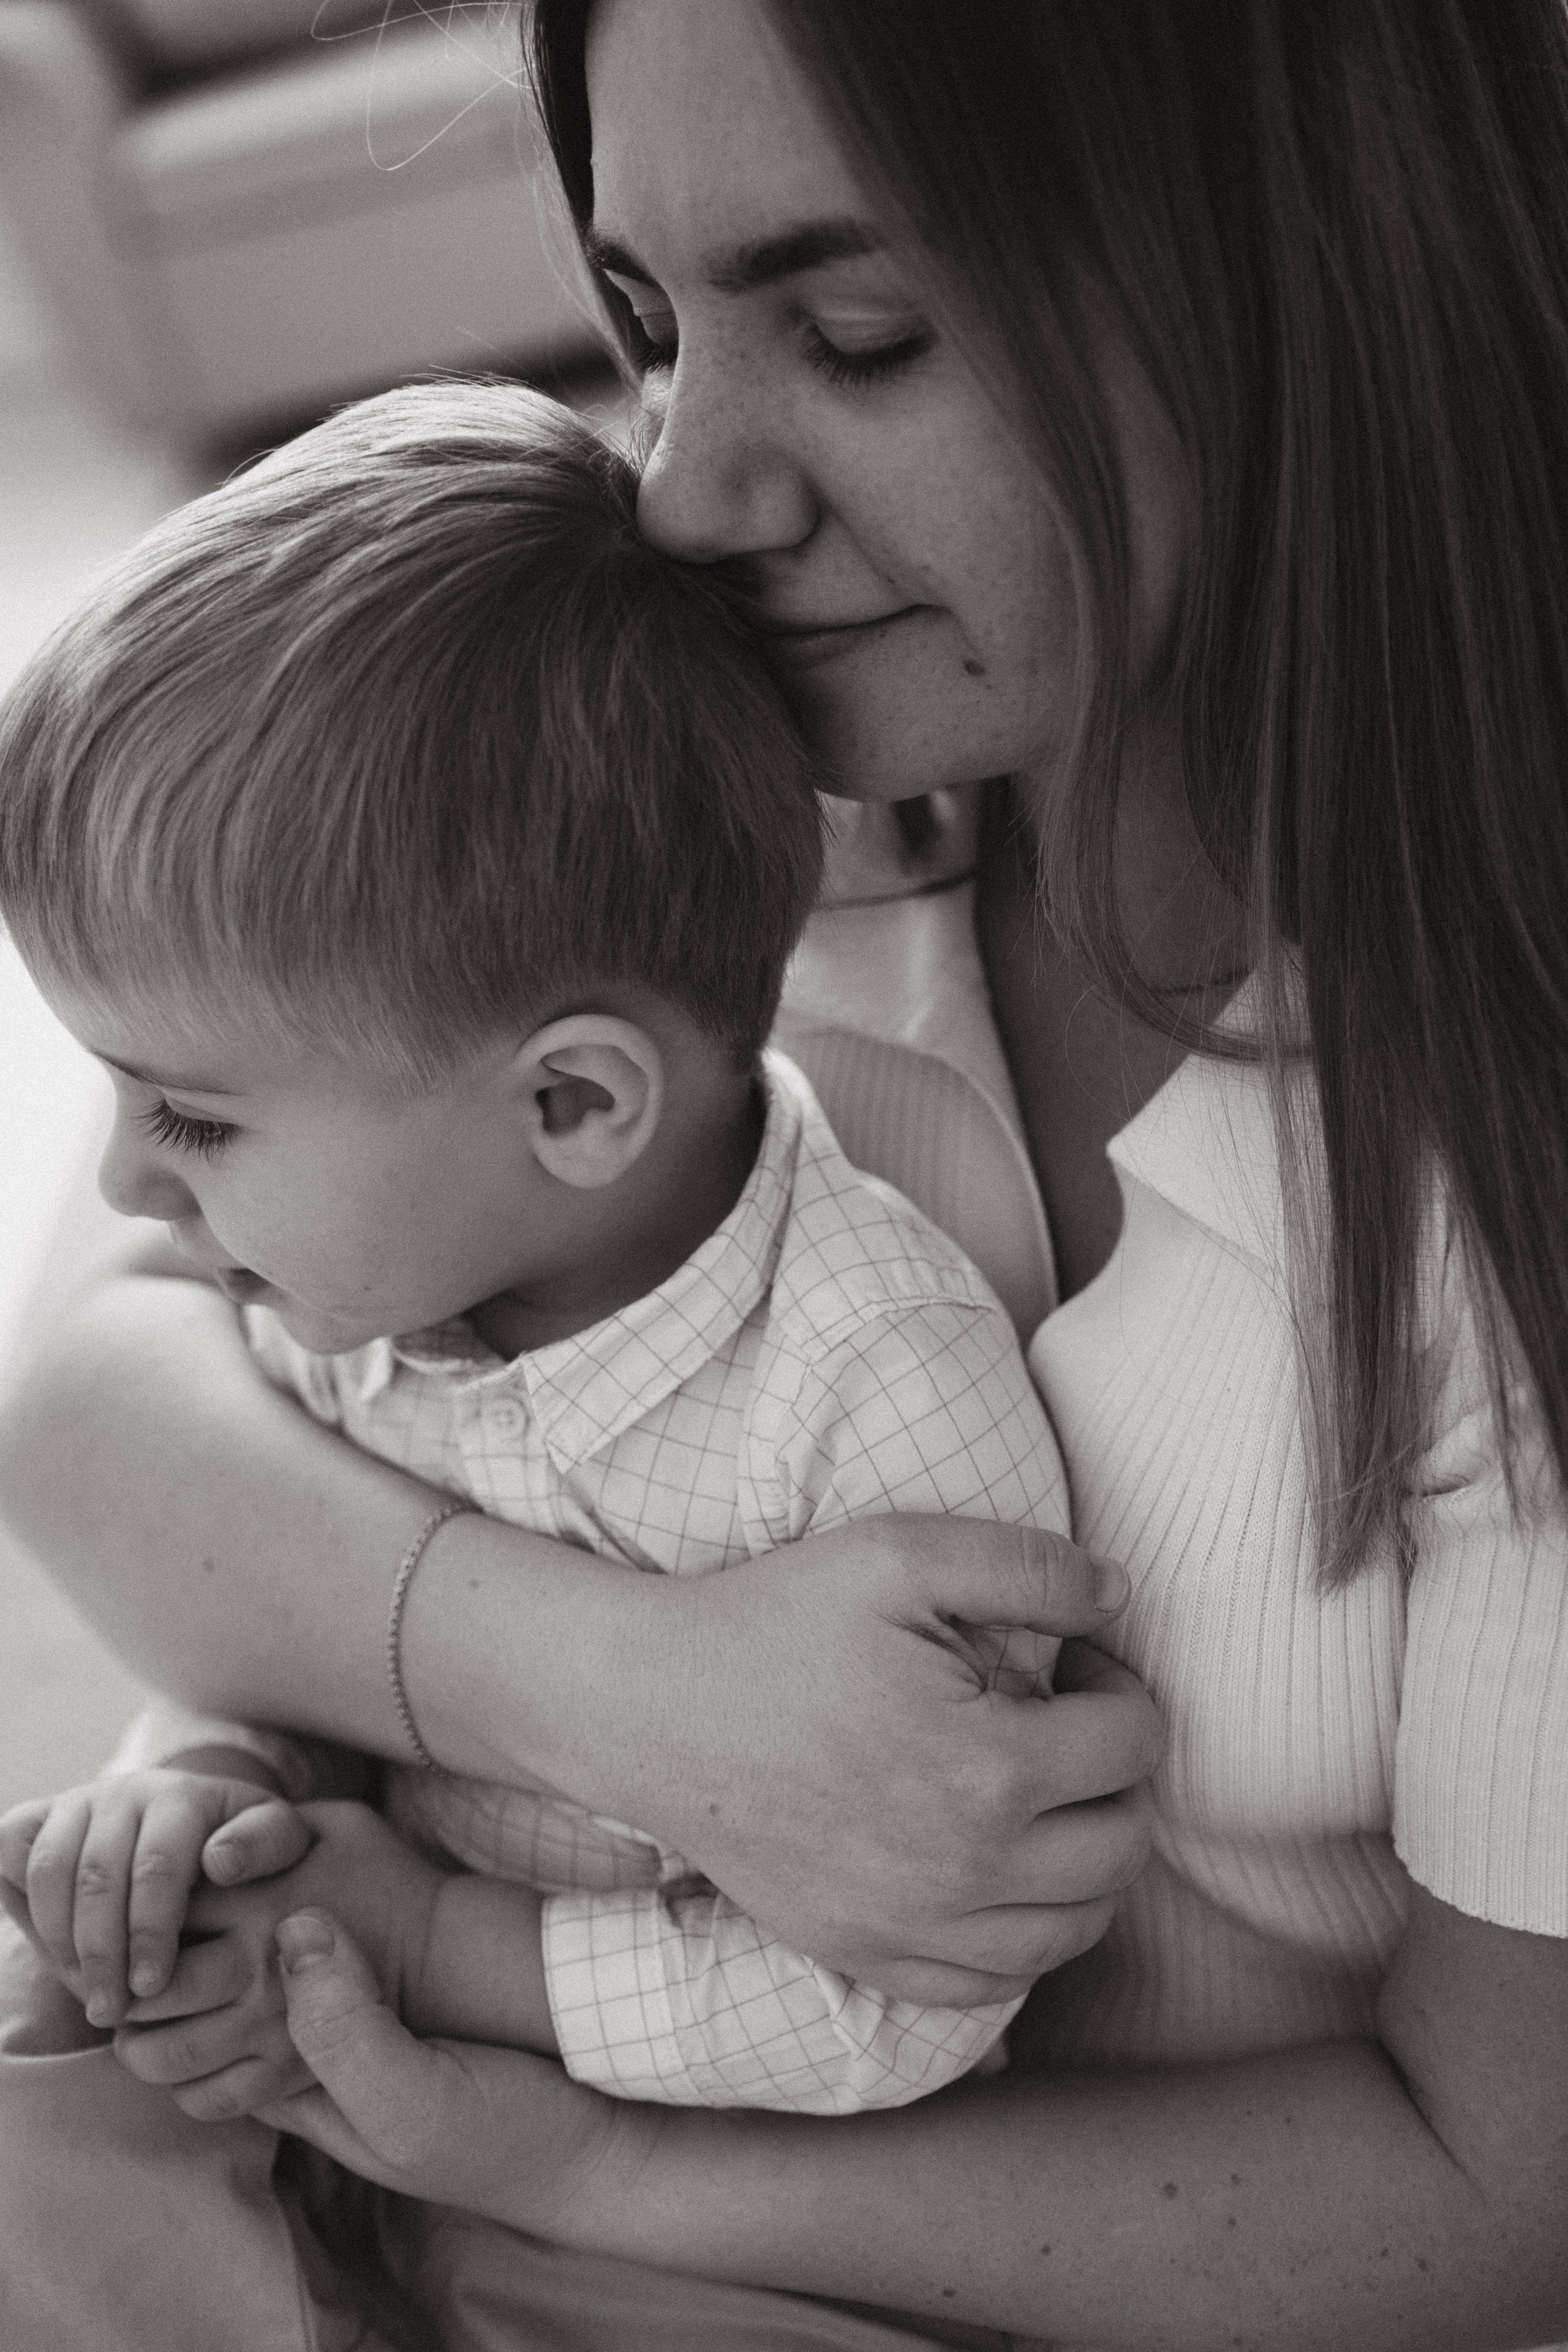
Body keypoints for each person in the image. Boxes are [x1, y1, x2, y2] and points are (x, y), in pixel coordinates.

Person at [7, 0, 1564, 2346]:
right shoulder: (678, 781)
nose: (684, 486)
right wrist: (632, 1700)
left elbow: (1489, 2204)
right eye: (644, 322)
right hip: (365, 2109)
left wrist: (574, 2149)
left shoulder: (1476, 1171)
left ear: (1307, 288)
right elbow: (91, 1381)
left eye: (857, 334)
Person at [0, 375, 1068, 2149]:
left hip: (702, 2224)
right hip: (341, 2103)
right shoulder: (368, 1291)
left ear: (573, 1101)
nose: (124, 1189)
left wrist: (437, 1946)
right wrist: (204, 1786)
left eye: (192, 1119)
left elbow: (906, 2001)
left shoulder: (873, 1399)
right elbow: (303, 1644)